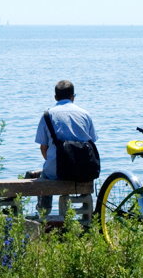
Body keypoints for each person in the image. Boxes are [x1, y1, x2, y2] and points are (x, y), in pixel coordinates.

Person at [34, 80, 97, 215]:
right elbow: (92, 143)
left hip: (56, 171)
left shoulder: (47, 115)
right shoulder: (85, 114)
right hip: (83, 170)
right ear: (73, 96)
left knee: (45, 174)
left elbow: (43, 149)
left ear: (55, 97)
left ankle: (43, 214)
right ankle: (86, 215)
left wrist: (57, 162)